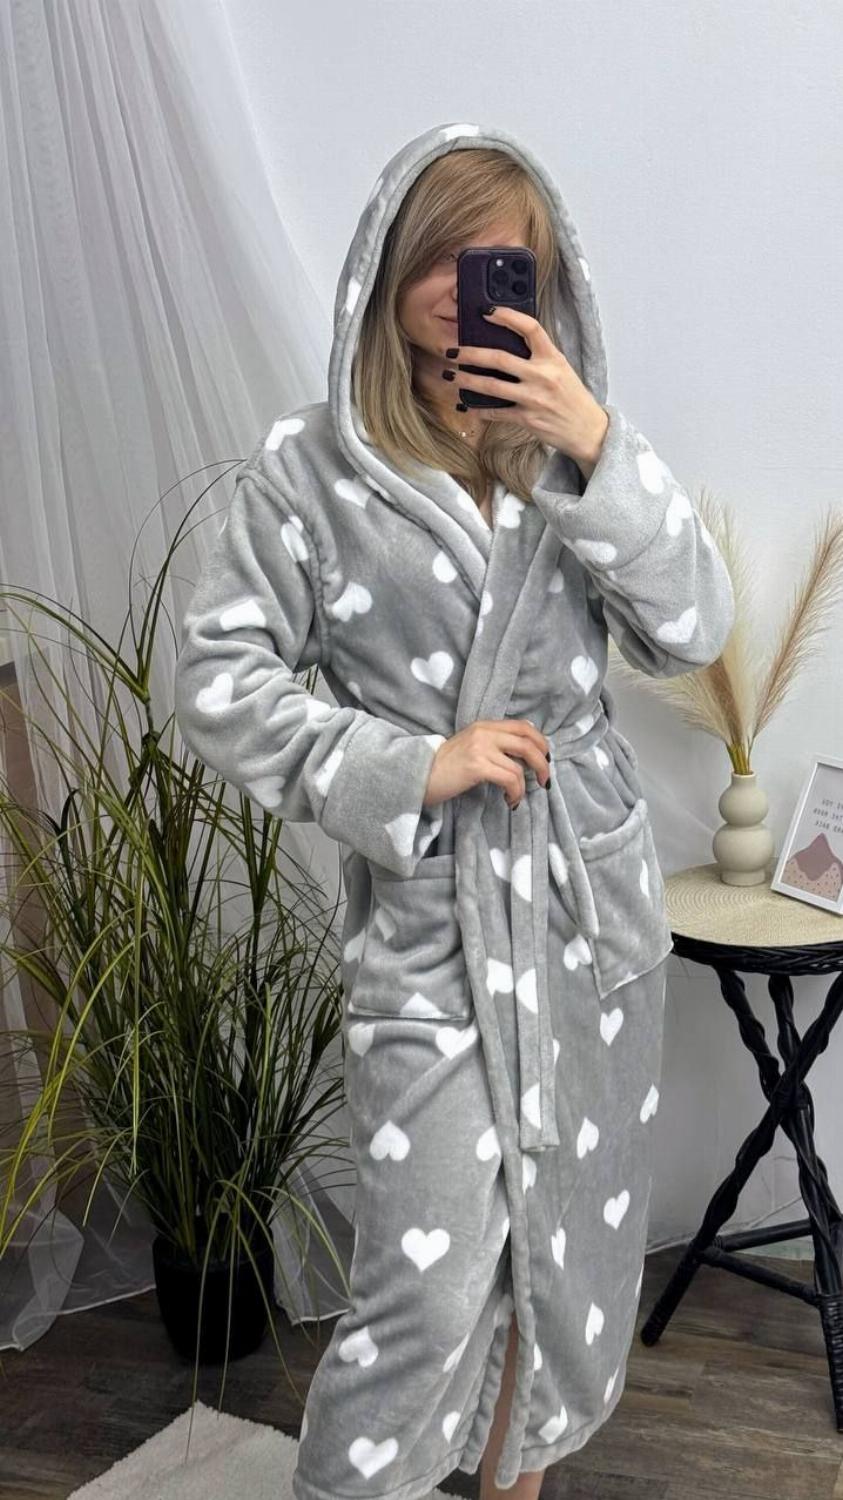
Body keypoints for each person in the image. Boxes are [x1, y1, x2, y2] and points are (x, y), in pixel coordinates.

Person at [173, 121, 735, 1500]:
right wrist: (406, 765)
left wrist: (589, 438)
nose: (460, 293)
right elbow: (217, 679)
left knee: (563, 1254)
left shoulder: (572, 450)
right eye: (438, 259)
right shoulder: (313, 468)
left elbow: (695, 628)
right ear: (386, 266)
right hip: (432, 914)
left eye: (498, 266)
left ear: (542, 282)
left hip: (581, 902)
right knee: (422, 1290)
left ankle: (512, 1485)